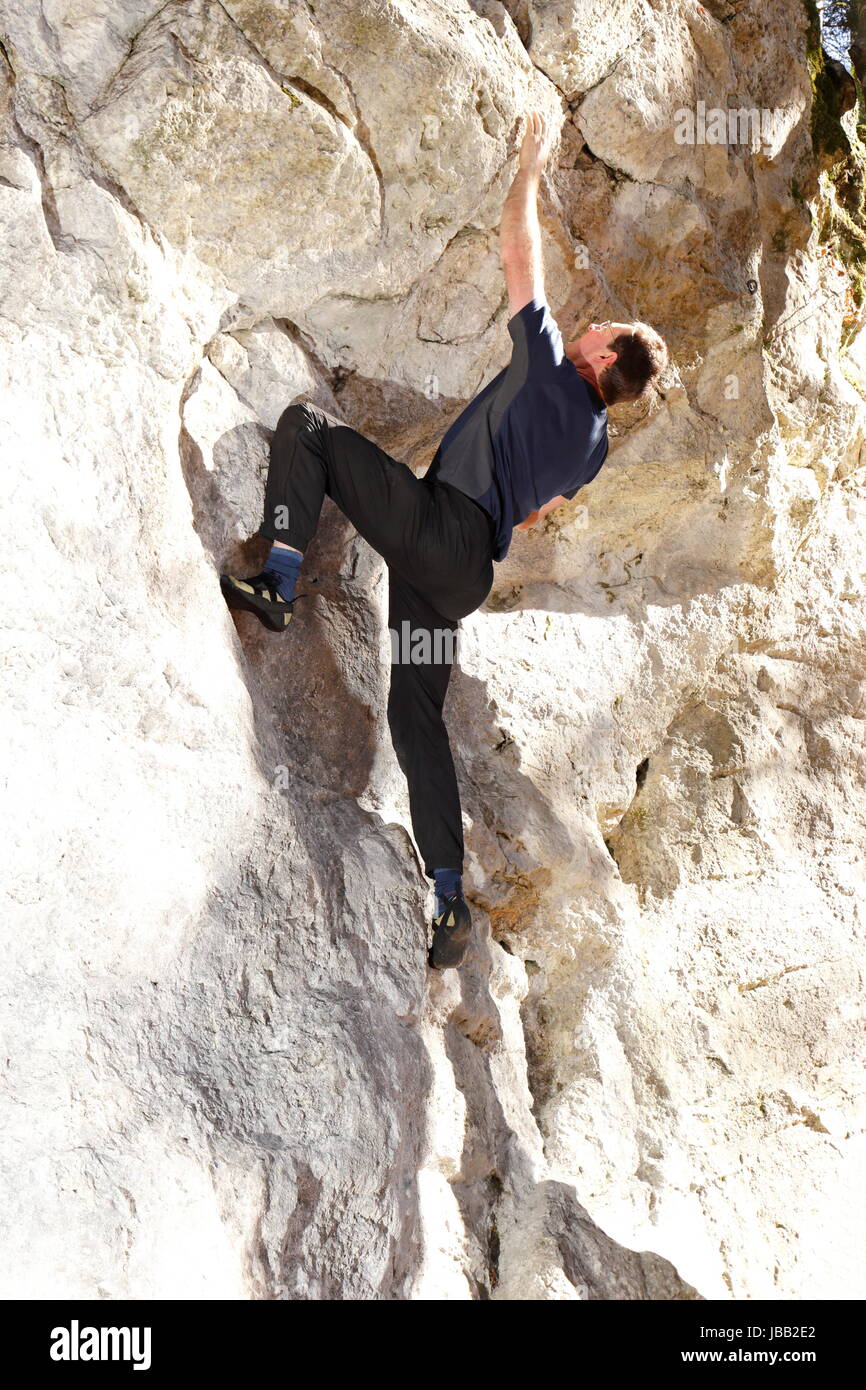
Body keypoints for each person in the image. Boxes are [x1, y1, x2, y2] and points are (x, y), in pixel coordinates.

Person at [219, 110, 669, 970]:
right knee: (414, 715)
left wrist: (529, 169)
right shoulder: (595, 448)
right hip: (462, 575)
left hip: (437, 530)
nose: (588, 324)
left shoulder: (548, 368)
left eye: (601, 326)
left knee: (309, 429)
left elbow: (518, 252)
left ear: (601, 356)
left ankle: (277, 582)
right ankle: (449, 900)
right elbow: (536, 515)